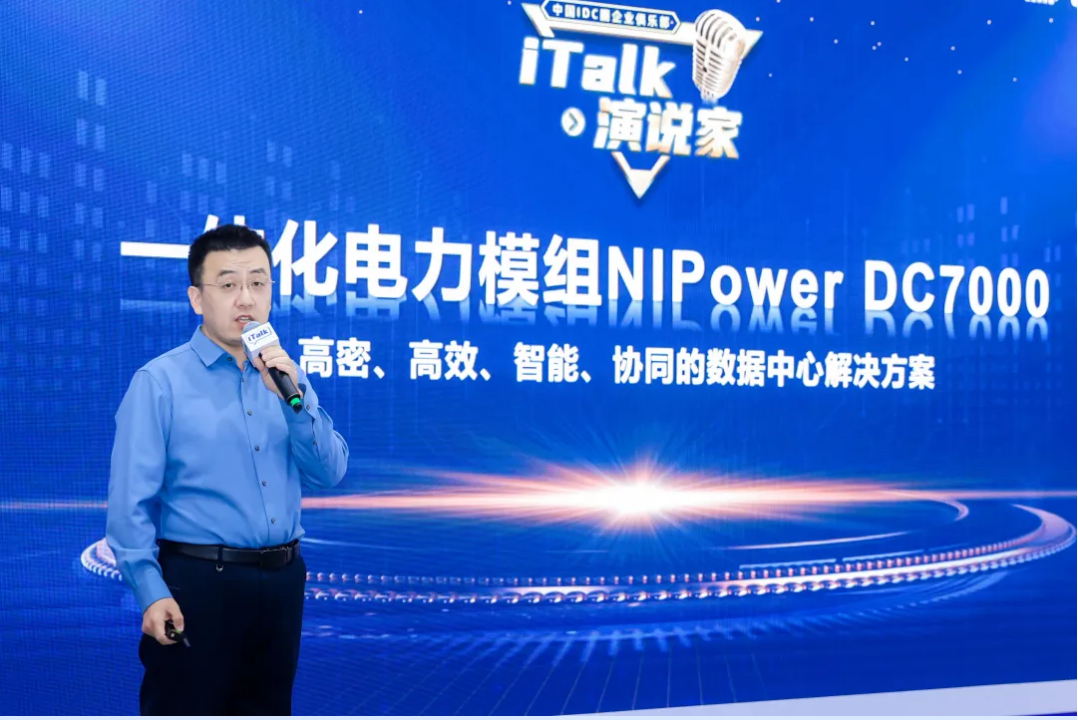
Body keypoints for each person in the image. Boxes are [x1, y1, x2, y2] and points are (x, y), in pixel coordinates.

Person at [105, 224, 350, 716]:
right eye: (229, 284)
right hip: (198, 586)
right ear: (197, 298)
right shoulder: (160, 382)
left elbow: (330, 472)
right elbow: (129, 504)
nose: (246, 298)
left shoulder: (285, 376)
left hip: (282, 584)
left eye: (258, 283)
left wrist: (295, 400)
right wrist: (150, 593)